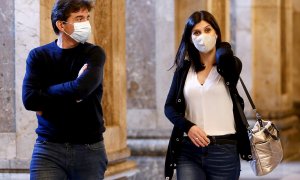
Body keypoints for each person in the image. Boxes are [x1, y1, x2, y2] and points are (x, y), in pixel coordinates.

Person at [22, 0, 107, 179]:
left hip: (89, 148)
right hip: (48, 147)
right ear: (61, 24)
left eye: (87, 17)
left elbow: (81, 90)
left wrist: (45, 94)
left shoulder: (94, 54)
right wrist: (72, 89)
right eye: (79, 18)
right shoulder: (38, 56)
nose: (86, 23)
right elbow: (30, 100)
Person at [164, 11, 252, 180]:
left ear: (216, 33)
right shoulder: (184, 70)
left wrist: (222, 46)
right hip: (189, 151)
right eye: (196, 32)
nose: (202, 36)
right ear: (190, 38)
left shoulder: (229, 66)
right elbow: (169, 107)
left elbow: (226, 57)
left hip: (223, 150)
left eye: (207, 30)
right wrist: (188, 126)